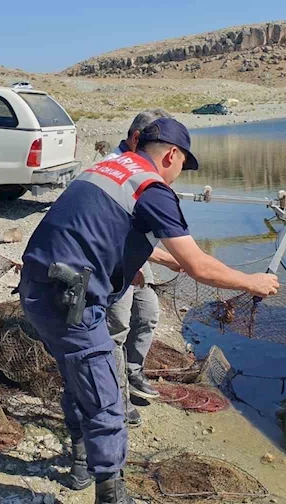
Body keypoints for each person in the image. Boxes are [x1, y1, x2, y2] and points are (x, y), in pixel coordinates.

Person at [19, 117, 278, 503]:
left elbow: (97, 227)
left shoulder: (107, 167)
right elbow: (200, 266)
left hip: (39, 287)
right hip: (70, 301)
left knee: (77, 373)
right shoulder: (152, 187)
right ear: (171, 154)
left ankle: (79, 460)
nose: (178, 177)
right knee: (105, 390)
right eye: (181, 167)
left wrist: (155, 258)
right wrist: (252, 282)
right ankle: (111, 489)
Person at [103, 109, 173, 428]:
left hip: (138, 256)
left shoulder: (144, 167)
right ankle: (117, 398)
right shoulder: (109, 169)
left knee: (148, 314)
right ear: (136, 140)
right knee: (116, 328)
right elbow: (102, 231)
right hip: (112, 262)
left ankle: (132, 374)